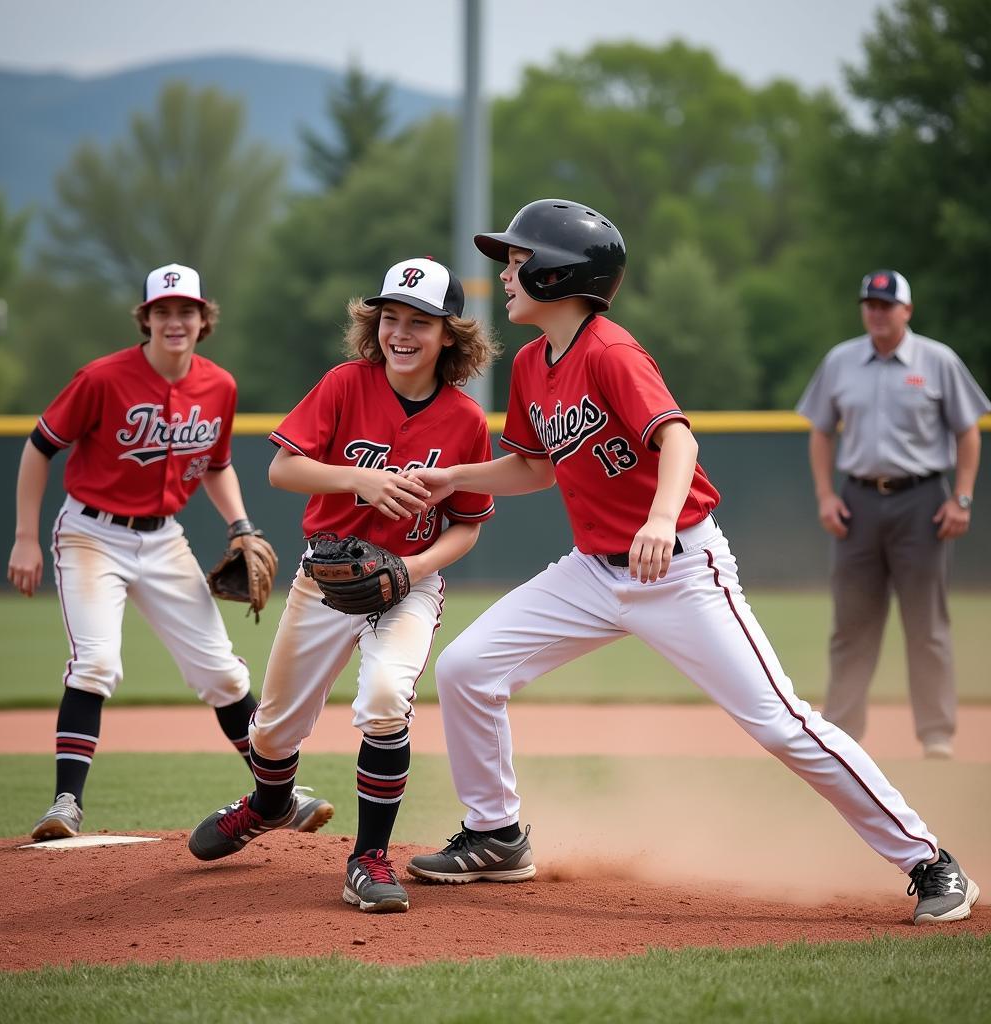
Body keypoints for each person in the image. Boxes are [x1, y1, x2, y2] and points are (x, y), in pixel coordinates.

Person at [403, 200, 980, 925]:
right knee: (466, 667)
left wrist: (656, 518)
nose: (505, 274)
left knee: (780, 723)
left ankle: (930, 861)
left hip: (679, 569)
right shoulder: (529, 363)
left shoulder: (611, 351)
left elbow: (678, 440)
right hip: (592, 571)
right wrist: (455, 477)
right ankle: (496, 834)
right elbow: (533, 468)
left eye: (518, 262)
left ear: (561, 274)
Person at [188, 257, 498, 914]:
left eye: (420, 321)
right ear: (373, 324)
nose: (401, 333)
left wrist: (411, 572)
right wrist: (360, 480)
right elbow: (283, 469)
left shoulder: (466, 419)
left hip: (409, 582)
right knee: (271, 734)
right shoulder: (344, 385)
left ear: (449, 335)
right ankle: (269, 804)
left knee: (386, 699)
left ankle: (368, 858)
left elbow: (466, 528)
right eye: (390, 318)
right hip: (326, 574)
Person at [8, 263, 332, 842]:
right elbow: (40, 447)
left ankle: (280, 793)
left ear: (204, 318)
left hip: (163, 538)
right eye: (163, 311)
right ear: (146, 319)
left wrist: (240, 524)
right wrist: (26, 537)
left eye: (187, 310)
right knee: (96, 662)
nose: (175, 321)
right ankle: (65, 804)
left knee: (224, 674)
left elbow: (216, 465)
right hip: (90, 534)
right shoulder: (102, 379)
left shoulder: (219, 386)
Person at [797, 270, 989, 760]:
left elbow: (969, 431)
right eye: (870, 304)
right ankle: (842, 733)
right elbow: (821, 430)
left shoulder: (937, 360)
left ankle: (936, 735)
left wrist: (961, 497)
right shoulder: (842, 361)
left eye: (886, 304)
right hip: (857, 501)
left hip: (921, 501)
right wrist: (825, 495)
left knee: (926, 623)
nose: (876, 312)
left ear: (907, 310)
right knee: (852, 622)